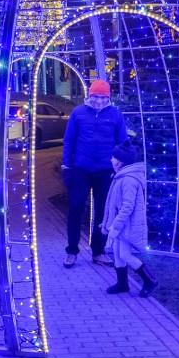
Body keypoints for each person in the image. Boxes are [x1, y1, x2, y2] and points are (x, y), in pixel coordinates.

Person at [61, 79, 127, 268]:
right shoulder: (78, 113)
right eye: (95, 97)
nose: (99, 101)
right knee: (75, 207)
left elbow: (122, 142)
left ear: (108, 98)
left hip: (105, 171)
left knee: (103, 212)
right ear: (90, 96)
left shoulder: (115, 115)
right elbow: (69, 140)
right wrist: (66, 166)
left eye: (103, 98)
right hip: (81, 168)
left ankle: (98, 251)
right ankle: (71, 251)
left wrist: (120, 168)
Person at [101, 139, 158, 297]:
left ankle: (150, 280)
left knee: (125, 254)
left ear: (120, 162)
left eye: (113, 157)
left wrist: (116, 226)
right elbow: (115, 204)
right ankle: (122, 283)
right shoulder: (121, 177)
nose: (111, 159)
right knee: (118, 253)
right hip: (122, 224)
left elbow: (127, 206)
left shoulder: (128, 180)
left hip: (127, 225)